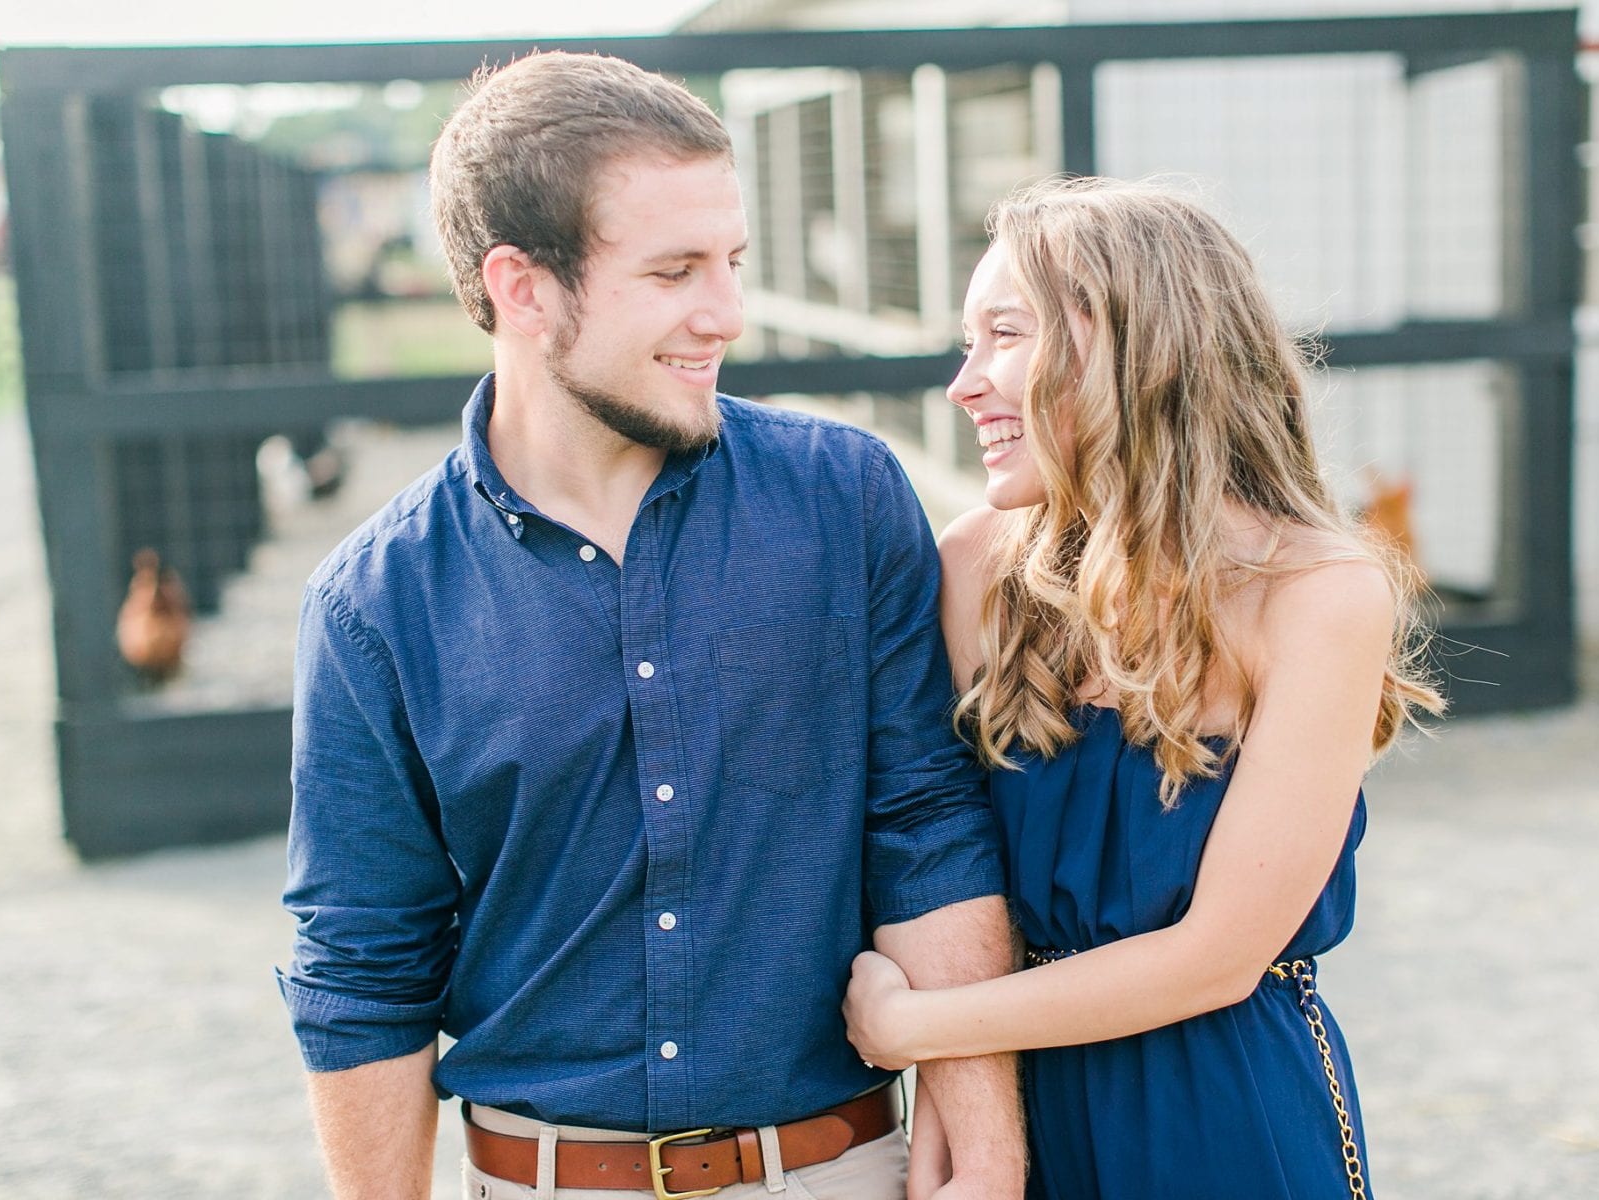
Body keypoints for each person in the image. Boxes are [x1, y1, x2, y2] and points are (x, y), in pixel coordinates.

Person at [278, 52, 1025, 1200]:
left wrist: (983, 1142)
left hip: (841, 1170)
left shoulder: (845, 499)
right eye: (674, 271)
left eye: (730, 262)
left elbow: (922, 820)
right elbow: (363, 968)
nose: (723, 312)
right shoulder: (373, 606)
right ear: (523, 288)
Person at [842, 177, 1444, 1200]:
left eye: (1003, 334)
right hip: (1024, 1118)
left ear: (1132, 343)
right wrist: (961, 1115)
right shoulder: (974, 569)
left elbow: (1215, 958)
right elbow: (929, 854)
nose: (965, 382)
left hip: (1227, 1120)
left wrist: (913, 1030)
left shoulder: (1317, 595)